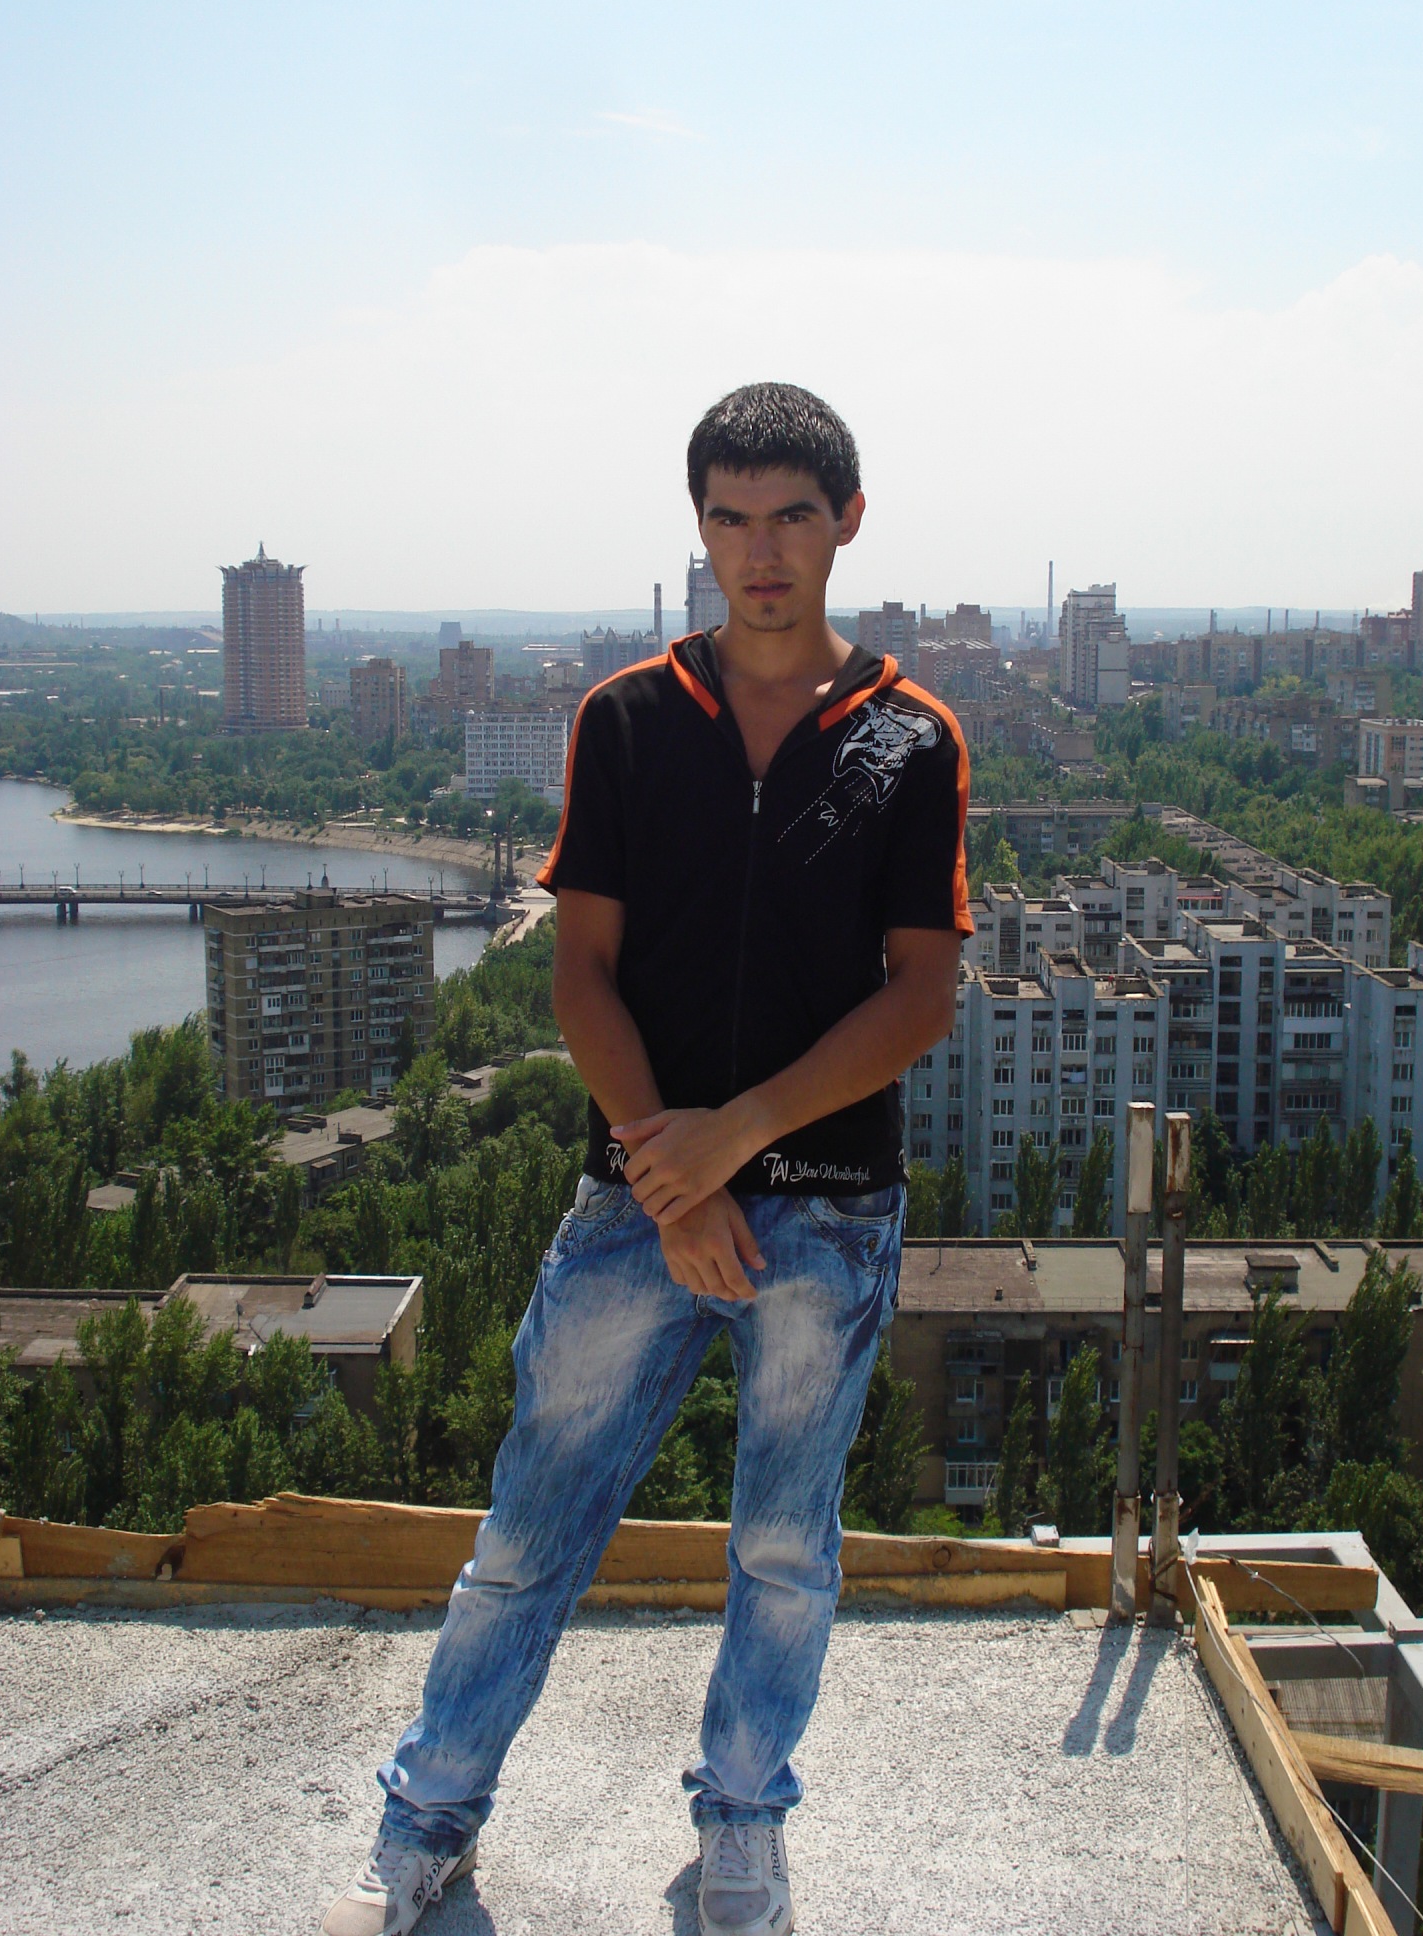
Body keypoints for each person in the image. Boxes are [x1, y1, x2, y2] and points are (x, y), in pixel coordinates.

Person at [323, 382, 971, 1936]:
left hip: (824, 1215)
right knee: (530, 1531)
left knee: (784, 1549)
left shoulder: (909, 739)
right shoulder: (625, 720)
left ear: (847, 523)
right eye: (732, 519)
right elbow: (582, 974)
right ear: (700, 529)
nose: (762, 552)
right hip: (637, 1204)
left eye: (792, 517)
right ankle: (422, 1829)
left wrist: (735, 1141)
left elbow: (920, 998)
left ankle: (743, 1828)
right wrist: (671, 1180)